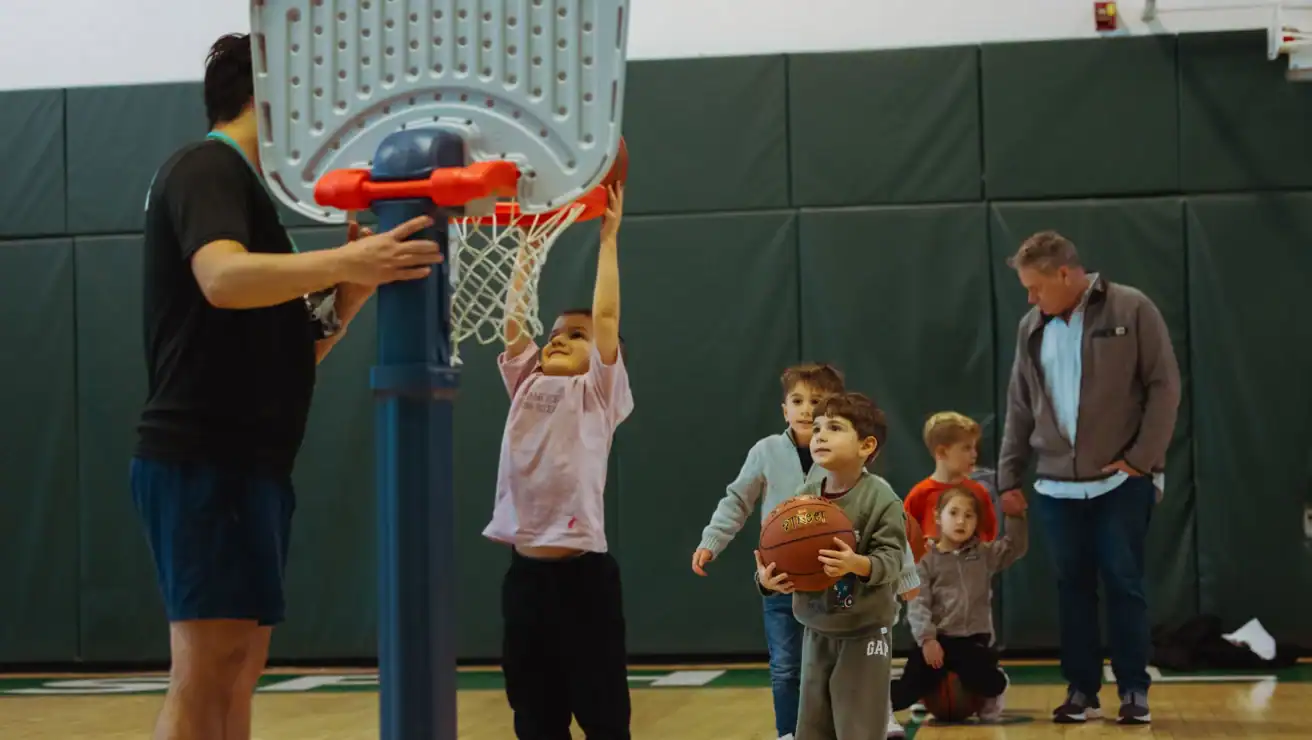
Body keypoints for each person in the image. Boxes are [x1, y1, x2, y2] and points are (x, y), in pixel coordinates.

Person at [130, 33, 445, 740]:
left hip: (249, 465)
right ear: (270, 95)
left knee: (238, 669)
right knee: (205, 673)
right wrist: (344, 254)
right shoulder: (206, 167)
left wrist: (351, 291)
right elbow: (221, 278)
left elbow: (287, 352)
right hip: (201, 458)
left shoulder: (249, 196)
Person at [998, 230, 1180, 725]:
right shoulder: (1030, 327)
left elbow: (1165, 386)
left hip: (1122, 481)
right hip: (1056, 487)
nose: (1031, 298)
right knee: (1071, 587)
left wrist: (1142, 460)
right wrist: (1008, 476)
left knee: (1124, 583)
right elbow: (1019, 403)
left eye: (1036, 287)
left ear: (1065, 273)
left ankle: (1134, 690)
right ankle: (1081, 689)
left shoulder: (1131, 309)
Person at [690, 365, 919, 740]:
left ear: (866, 445)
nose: (813, 421)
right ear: (784, 409)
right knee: (800, 693)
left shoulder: (875, 493)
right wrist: (756, 574)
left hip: (855, 610)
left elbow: (892, 548)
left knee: (858, 694)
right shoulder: (794, 482)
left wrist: (883, 571)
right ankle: (788, 733)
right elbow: (746, 511)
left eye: (828, 419)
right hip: (804, 603)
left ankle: (880, 719)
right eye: (802, 407)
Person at [482, 185, 633, 738]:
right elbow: (517, 320)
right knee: (534, 715)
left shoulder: (598, 392)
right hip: (525, 578)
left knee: (603, 717)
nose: (559, 339)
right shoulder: (526, 383)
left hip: (584, 580)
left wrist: (608, 238)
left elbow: (607, 315)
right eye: (555, 334)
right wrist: (528, 245)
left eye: (576, 335)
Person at [754, 392, 908, 740]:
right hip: (817, 631)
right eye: (818, 427)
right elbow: (781, 556)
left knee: (857, 729)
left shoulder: (880, 499)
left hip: (866, 633)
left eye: (834, 427)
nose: (820, 434)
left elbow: (892, 560)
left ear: (866, 445)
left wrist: (857, 563)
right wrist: (767, 579)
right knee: (813, 729)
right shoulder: (805, 496)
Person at [891, 486, 1028, 721]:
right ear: (938, 517)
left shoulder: (984, 555)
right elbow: (918, 603)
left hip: (973, 639)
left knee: (986, 680)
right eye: (953, 513)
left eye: (968, 515)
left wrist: (1016, 517)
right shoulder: (925, 558)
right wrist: (927, 640)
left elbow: (1015, 548)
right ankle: (882, 705)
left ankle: (995, 687)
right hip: (938, 639)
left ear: (976, 521)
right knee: (910, 686)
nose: (960, 521)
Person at [903, 411, 999, 547]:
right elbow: (906, 543)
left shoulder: (979, 493)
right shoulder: (919, 495)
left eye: (974, 447)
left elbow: (988, 539)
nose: (974, 454)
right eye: (966, 448)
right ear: (942, 452)